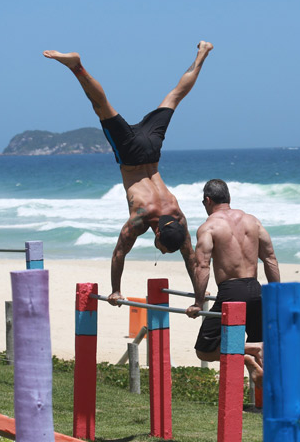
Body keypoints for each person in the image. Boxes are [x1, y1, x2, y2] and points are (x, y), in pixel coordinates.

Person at [44, 42, 214, 305]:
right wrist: (115, 290)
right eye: (162, 248)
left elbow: (191, 258)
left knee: (175, 96)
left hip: (152, 151)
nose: (162, 251)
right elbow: (119, 253)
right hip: (130, 156)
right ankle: (77, 67)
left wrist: (199, 300)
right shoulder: (141, 217)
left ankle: (202, 53)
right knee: (100, 105)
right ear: (158, 235)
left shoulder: (178, 217)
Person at [185, 179, 280, 384]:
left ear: (207, 201)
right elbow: (270, 259)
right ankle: (265, 395)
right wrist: (276, 295)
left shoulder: (209, 227)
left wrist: (198, 303)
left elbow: (202, 266)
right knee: (261, 346)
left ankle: (248, 353)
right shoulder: (252, 221)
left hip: (231, 292)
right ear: (228, 198)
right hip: (256, 290)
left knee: (205, 351)